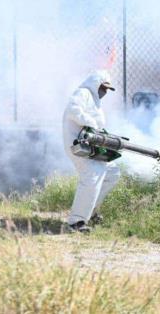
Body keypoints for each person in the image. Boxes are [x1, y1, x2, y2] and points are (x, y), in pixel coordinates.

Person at [62, 70, 121, 233]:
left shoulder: (95, 101)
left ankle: (92, 210)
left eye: (107, 90)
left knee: (112, 172)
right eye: (103, 87)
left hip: (91, 146)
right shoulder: (83, 93)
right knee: (93, 175)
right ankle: (76, 222)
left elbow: (97, 125)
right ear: (96, 83)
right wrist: (92, 124)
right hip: (78, 145)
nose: (104, 92)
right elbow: (74, 111)